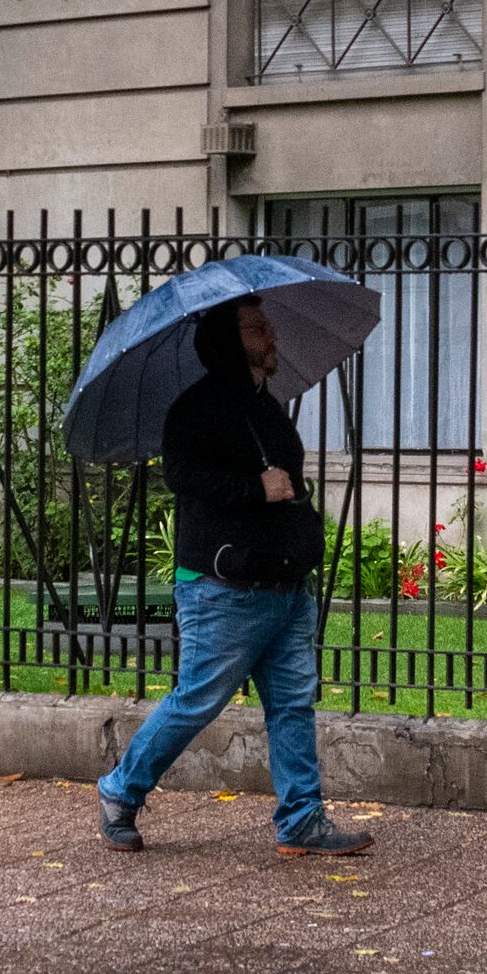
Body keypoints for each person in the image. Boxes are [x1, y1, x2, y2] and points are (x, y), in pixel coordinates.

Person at [95, 295, 372, 858]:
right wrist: (255, 487)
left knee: (293, 705)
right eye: (256, 328)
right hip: (225, 590)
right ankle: (120, 790)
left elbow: (286, 482)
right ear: (229, 341)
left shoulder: (266, 406)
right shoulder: (197, 408)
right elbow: (181, 476)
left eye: (267, 325)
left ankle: (301, 820)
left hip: (285, 587)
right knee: (197, 700)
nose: (271, 336)